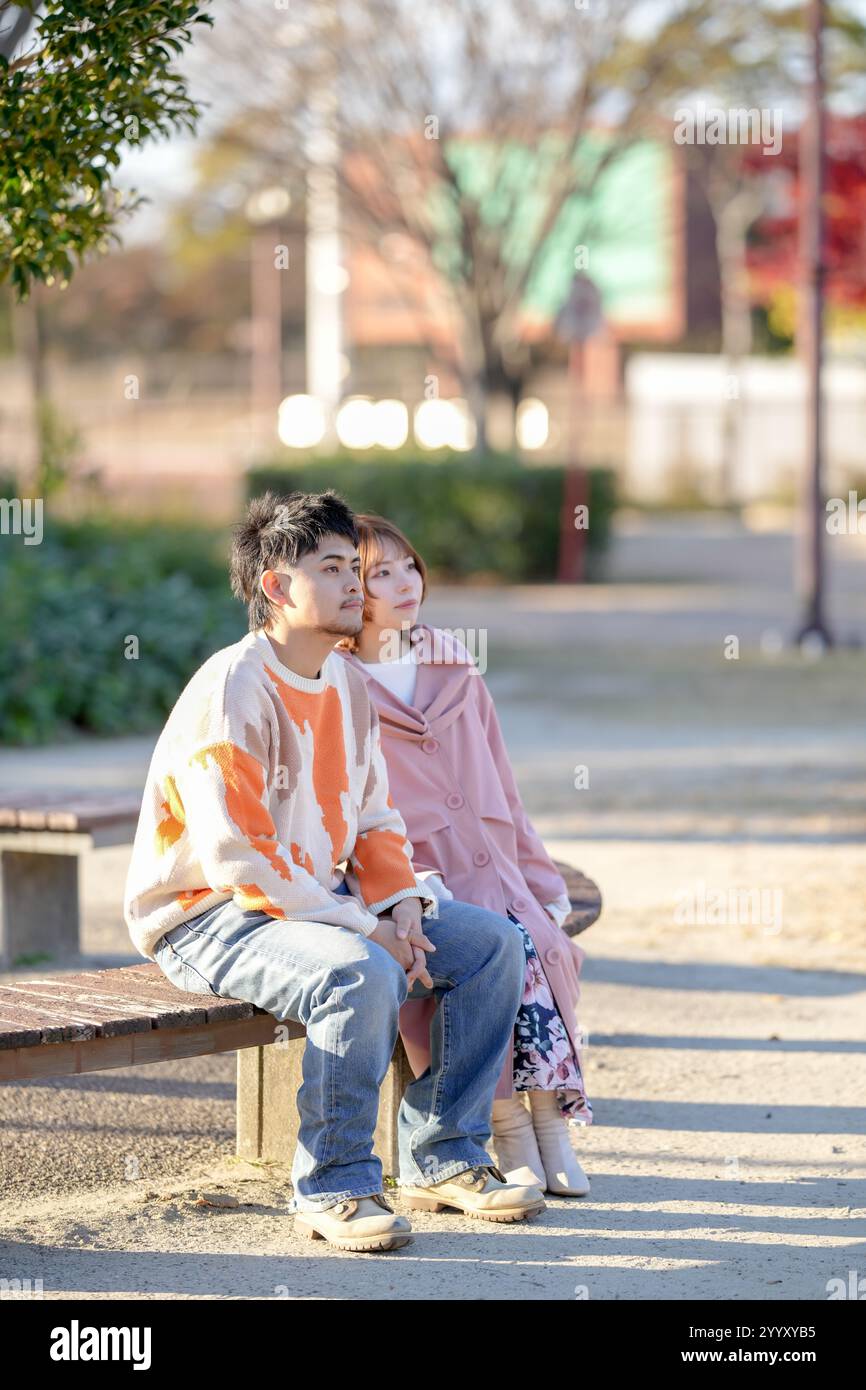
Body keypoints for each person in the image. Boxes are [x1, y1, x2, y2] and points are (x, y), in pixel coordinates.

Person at [123, 489, 547, 1255]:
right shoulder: (235, 688)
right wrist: (365, 926)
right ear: (275, 587)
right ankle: (335, 1183)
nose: (357, 583)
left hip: (315, 904)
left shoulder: (348, 683)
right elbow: (238, 857)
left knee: (492, 945)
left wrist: (405, 909)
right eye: (332, 567)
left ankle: (443, 1155)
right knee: (359, 972)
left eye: (357, 566)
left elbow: (377, 818)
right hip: (208, 913)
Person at [334, 512, 593, 1197]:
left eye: (408, 566)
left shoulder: (451, 657)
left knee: (547, 944)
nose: (404, 583)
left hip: (494, 860)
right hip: (417, 876)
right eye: (379, 573)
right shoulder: (338, 681)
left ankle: (550, 1122)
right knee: (488, 955)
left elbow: (503, 780)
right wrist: (399, 886)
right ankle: (503, 1126)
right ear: (348, 591)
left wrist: (538, 874)